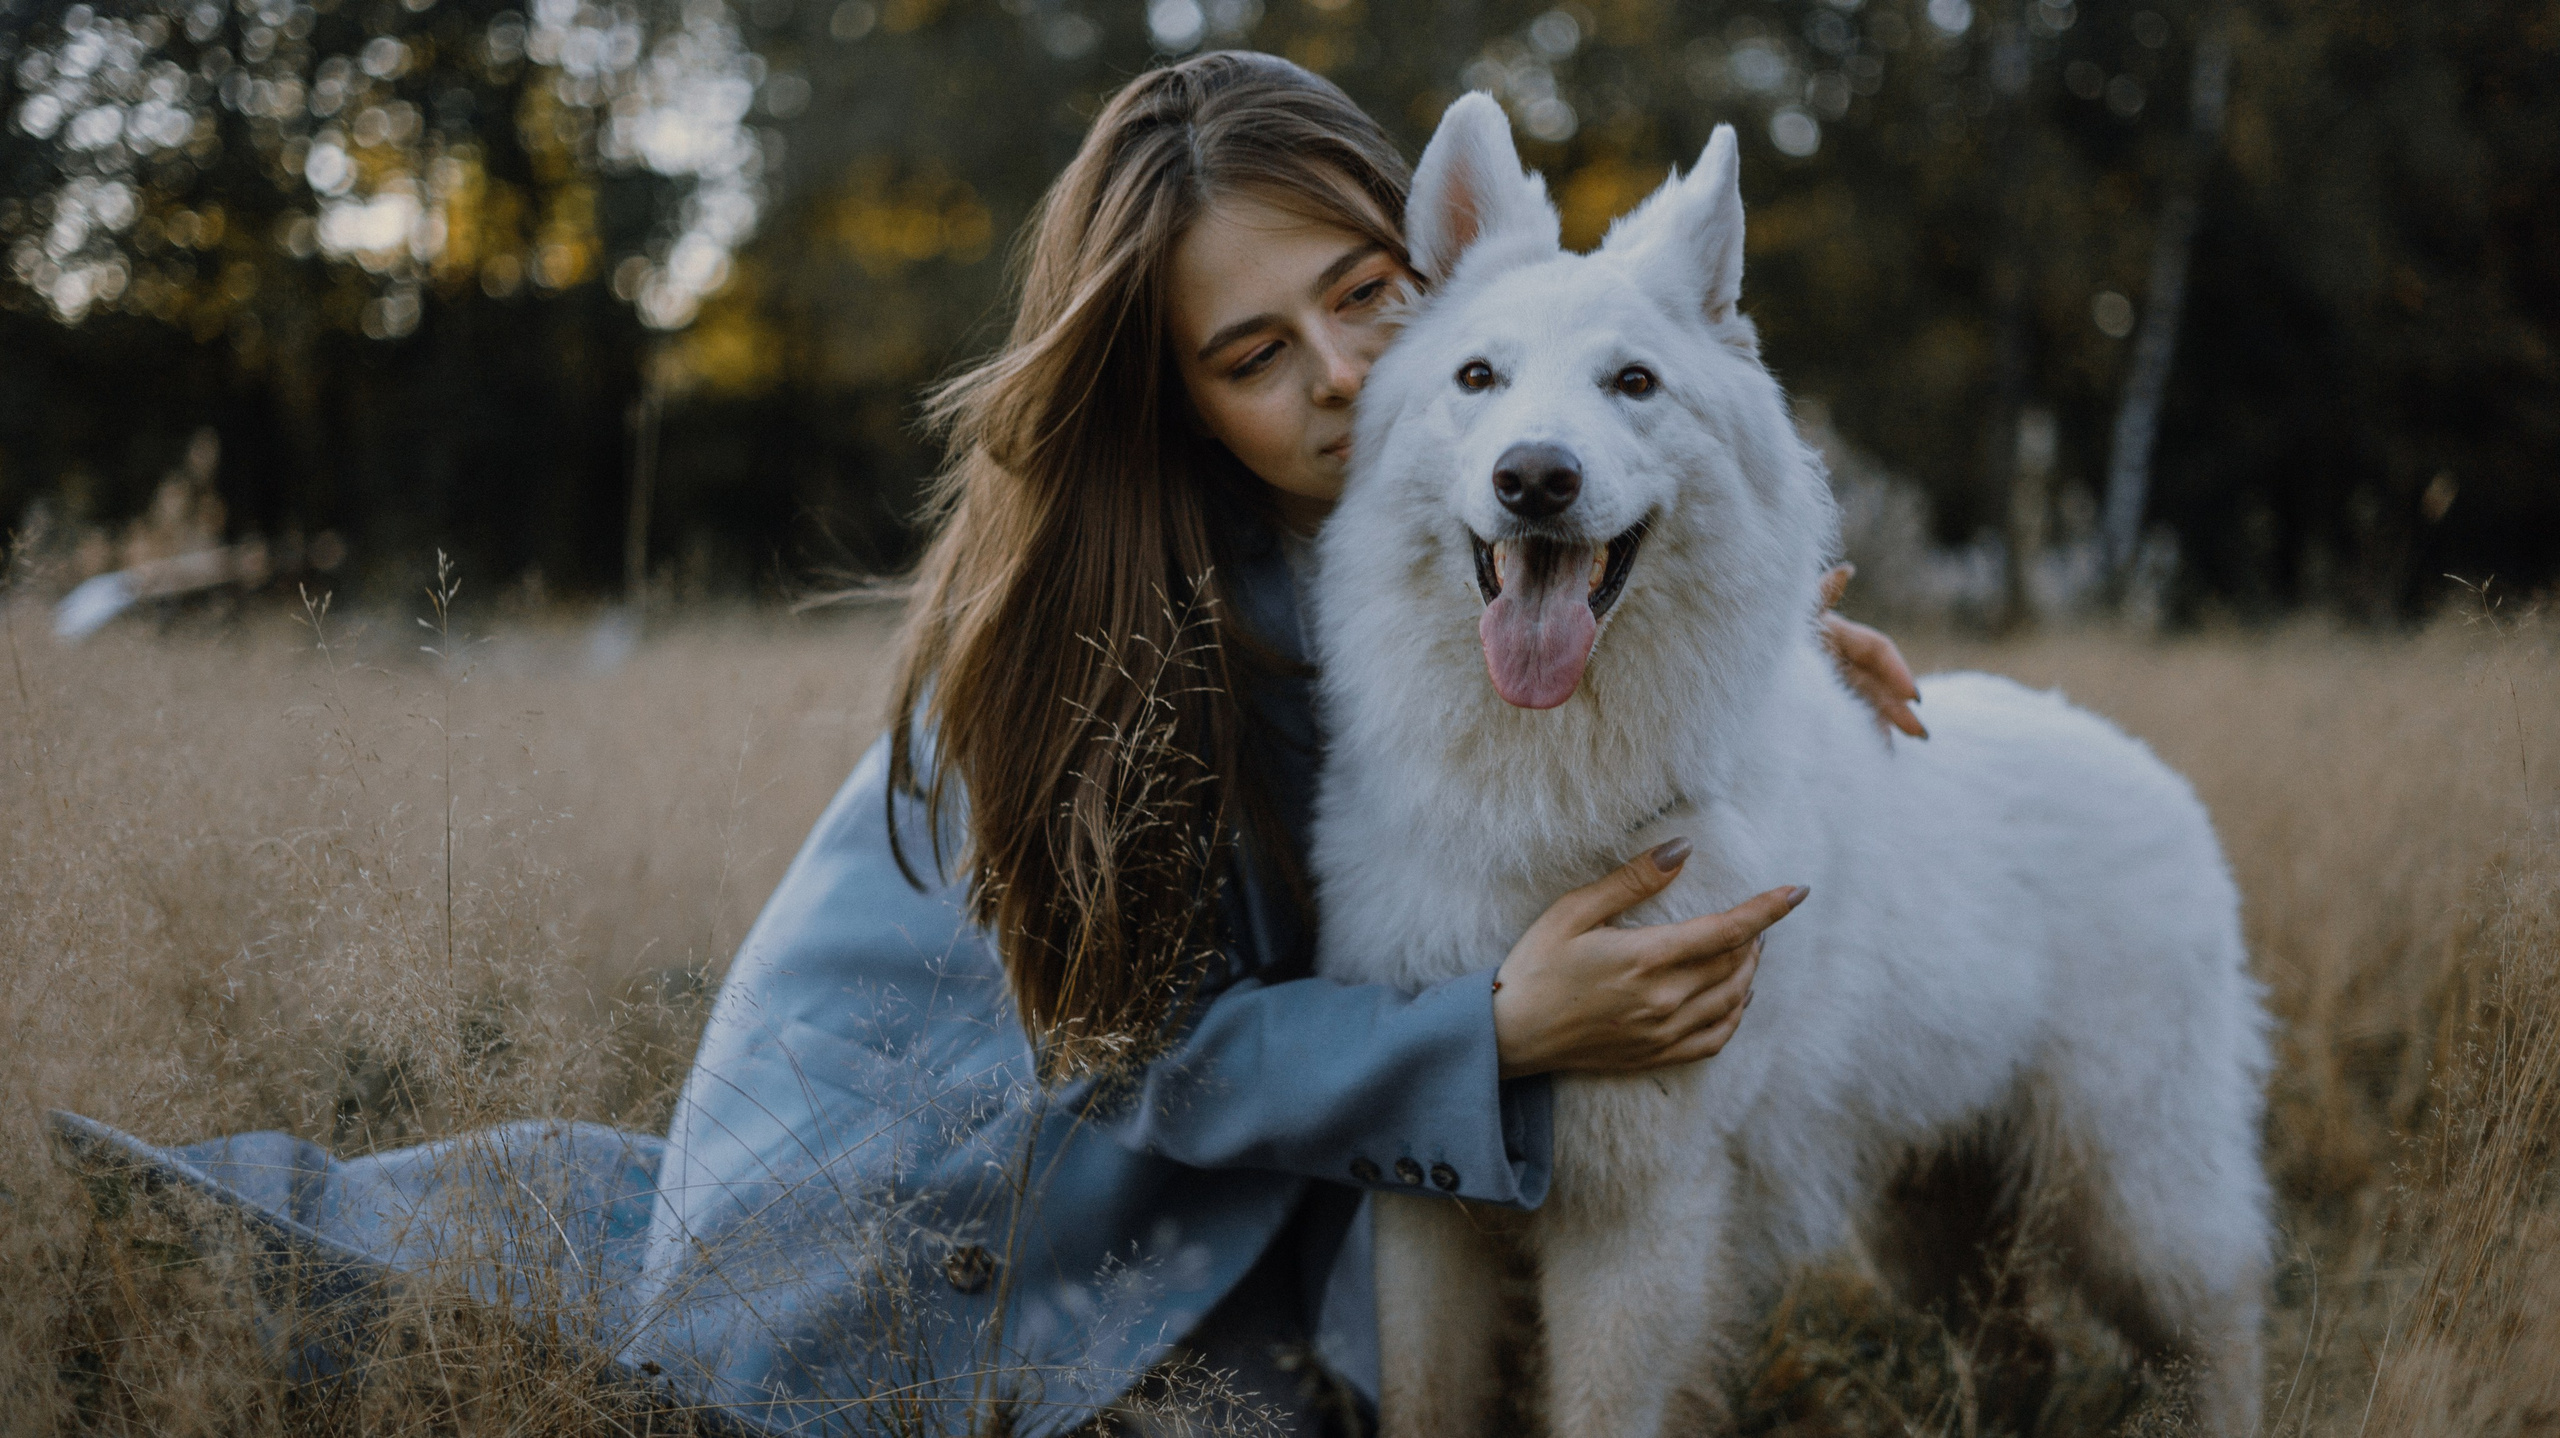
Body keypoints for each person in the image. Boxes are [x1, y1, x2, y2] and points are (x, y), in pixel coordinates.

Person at [54, 49, 1922, 1438]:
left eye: (1367, 299)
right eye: (1255, 354)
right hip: (962, 1213)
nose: (1346, 377)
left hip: (1194, 1192)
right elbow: (1132, 1058)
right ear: (1171, 401)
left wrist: (1742, 632)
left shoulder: (1412, 540)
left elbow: (1550, 588)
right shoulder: (1102, 636)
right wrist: (1501, 1033)